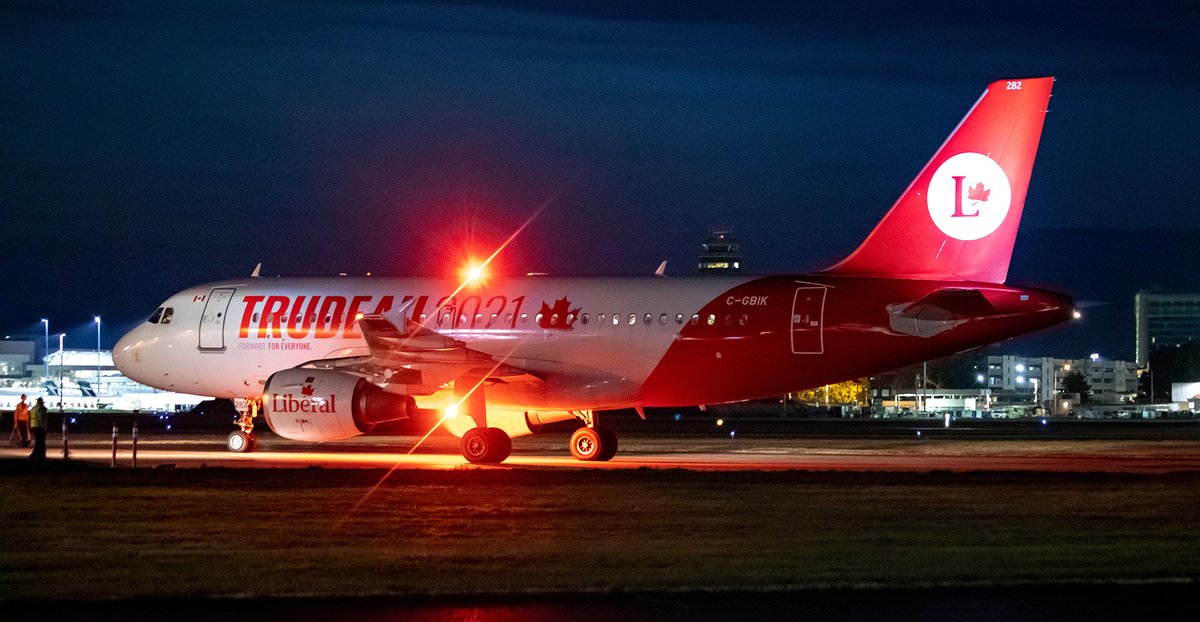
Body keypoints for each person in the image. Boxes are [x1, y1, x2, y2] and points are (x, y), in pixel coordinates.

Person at [29, 397, 48, 462]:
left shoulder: (33, 408)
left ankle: (34, 455)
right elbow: (41, 418)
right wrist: (44, 427)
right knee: (41, 442)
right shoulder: (41, 408)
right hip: (39, 426)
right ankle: (40, 456)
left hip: (34, 425)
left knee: (38, 442)